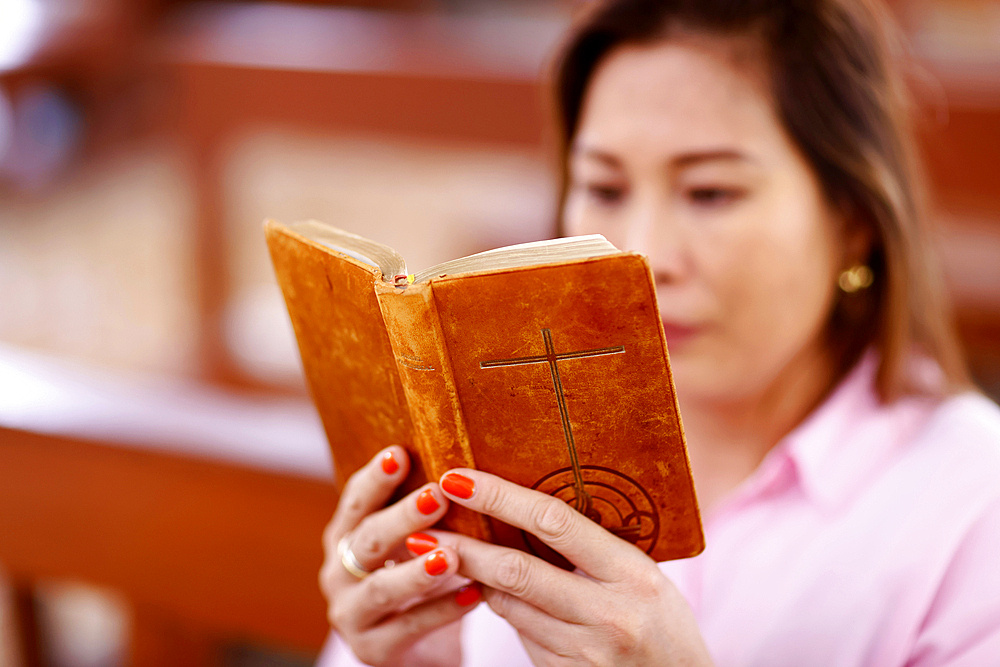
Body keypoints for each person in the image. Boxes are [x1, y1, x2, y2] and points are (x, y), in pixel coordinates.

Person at [316, 0, 1000, 665]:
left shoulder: (972, 505)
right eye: (605, 189)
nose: (640, 256)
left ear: (853, 218)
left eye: (711, 193)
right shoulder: (484, 446)